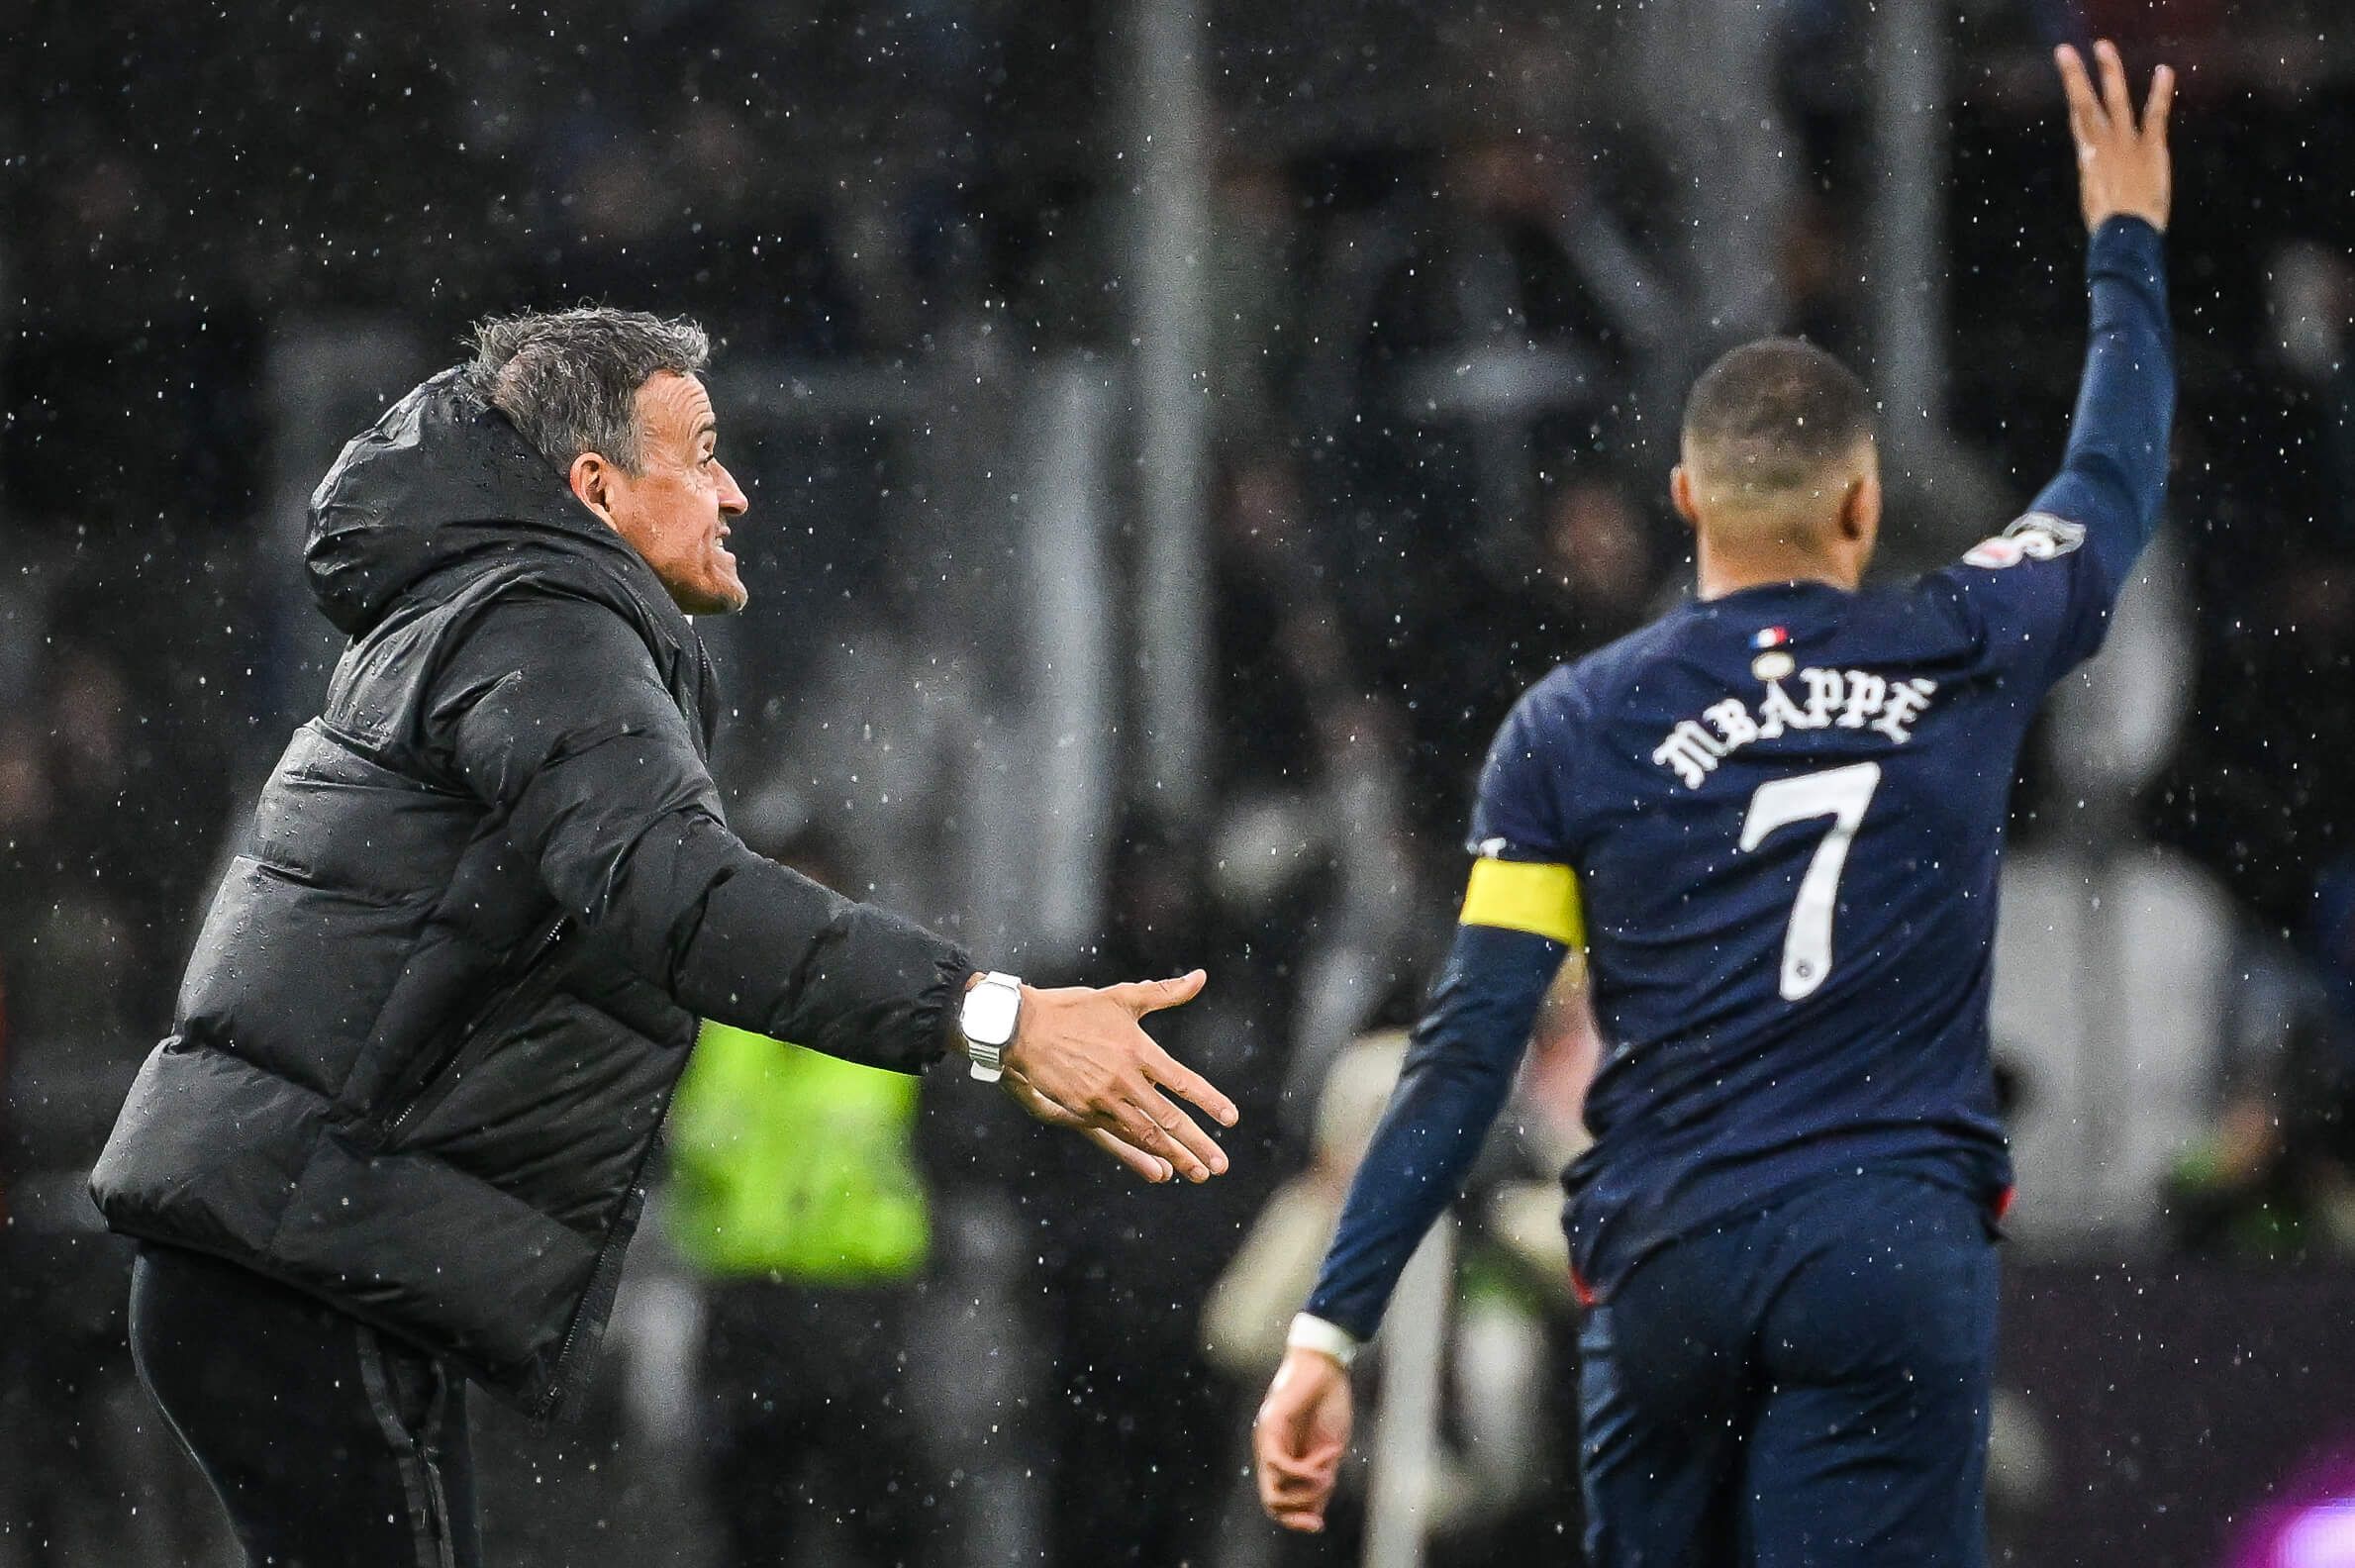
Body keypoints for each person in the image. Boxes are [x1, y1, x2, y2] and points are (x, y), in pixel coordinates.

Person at [87, 308, 1238, 1568]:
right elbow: (680, 893)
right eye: (698, 454)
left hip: (305, 1257)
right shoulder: (541, 624)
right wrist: (996, 1018)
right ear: (596, 488)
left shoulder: (488, 613)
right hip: (304, 1264)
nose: (735, 491)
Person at [1254, 41, 2174, 1567]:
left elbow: (1469, 1049)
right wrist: (2123, 246)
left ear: (1681, 504)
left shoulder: (1568, 728)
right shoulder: (1959, 639)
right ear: (1866, 508)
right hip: (1886, 1245)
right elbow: (2109, 476)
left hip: (1670, 1253)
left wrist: (1326, 1327)